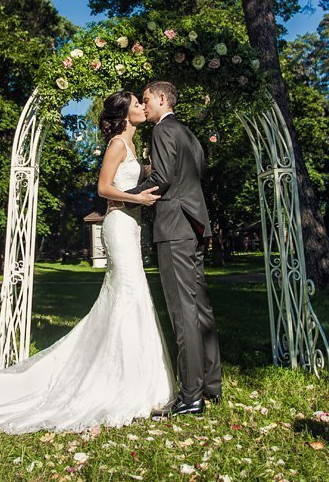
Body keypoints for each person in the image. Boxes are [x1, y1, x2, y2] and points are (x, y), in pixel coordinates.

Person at [0, 91, 174, 434]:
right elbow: (104, 188)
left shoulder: (134, 146)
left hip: (132, 225)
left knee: (133, 295)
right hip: (119, 225)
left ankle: (141, 377)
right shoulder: (118, 145)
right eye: (137, 103)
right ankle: (119, 382)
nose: (141, 107)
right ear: (124, 114)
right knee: (128, 293)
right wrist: (135, 197)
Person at [126, 81, 222, 417]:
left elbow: (163, 178)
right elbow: (193, 178)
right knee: (201, 308)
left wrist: (128, 196)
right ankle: (211, 385)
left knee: (183, 313)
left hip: (174, 228)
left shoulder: (163, 131)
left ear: (163, 97)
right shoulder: (189, 134)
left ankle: (191, 396)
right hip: (193, 225)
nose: (145, 104)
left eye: (148, 98)